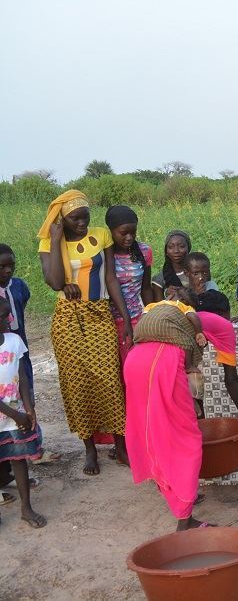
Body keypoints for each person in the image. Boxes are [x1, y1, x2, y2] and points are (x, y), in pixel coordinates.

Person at [37, 190, 130, 474]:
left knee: (108, 379)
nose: (82, 223)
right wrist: (55, 240)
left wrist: (125, 318)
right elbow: (53, 281)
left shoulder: (100, 235)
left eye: (85, 217)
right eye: (75, 218)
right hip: (67, 318)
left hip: (99, 313)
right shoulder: (49, 242)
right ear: (61, 220)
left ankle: (120, 444)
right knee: (77, 382)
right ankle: (89, 449)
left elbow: (111, 278)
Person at [125, 301, 217, 530]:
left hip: (134, 365)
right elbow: (190, 377)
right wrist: (194, 405)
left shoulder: (142, 344)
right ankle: (185, 520)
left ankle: (180, 492)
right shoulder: (181, 344)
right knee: (187, 441)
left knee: (152, 433)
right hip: (163, 368)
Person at [0, 245, 60, 471]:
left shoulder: (20, 287)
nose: (8, 270)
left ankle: (32, 447)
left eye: (11, 265)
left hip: (18, 352)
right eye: (2, 267)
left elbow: (21, 308)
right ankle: (10, 457)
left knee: (27, 397)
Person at [0, 298, 45, 529]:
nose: (7, 320)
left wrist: (28, 409)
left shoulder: (13, 341)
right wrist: (17, 415)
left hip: (15, 414)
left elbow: (23, 378)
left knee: (19, 459)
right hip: (10, 415)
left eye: (7, 315)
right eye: (1, 317)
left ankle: (26, 507)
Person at [105, 206, 154, 364]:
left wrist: (152, 316)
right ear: (111, 231)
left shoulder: (144, 251)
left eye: (133, 232)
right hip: (106, 322)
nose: (129, 237)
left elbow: (146, 288)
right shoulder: (103, 254)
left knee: (135, 367)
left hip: (135, 319)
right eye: (123, 233)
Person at [151, 230, 218, 302]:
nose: (176, 251)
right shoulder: (160, 279)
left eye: (181, 246)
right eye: (171, 247)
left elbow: (212, 295)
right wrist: (166, 294)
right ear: (166, 251)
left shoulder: (199, 270)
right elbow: (159, 307)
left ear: (188, 248)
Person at [183, 252, 231, 318]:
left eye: (205, 273)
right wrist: (197, 295)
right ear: (186, 273)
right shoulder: (184, 293)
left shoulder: (211, 287)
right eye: (196, 273)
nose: (201, 277)